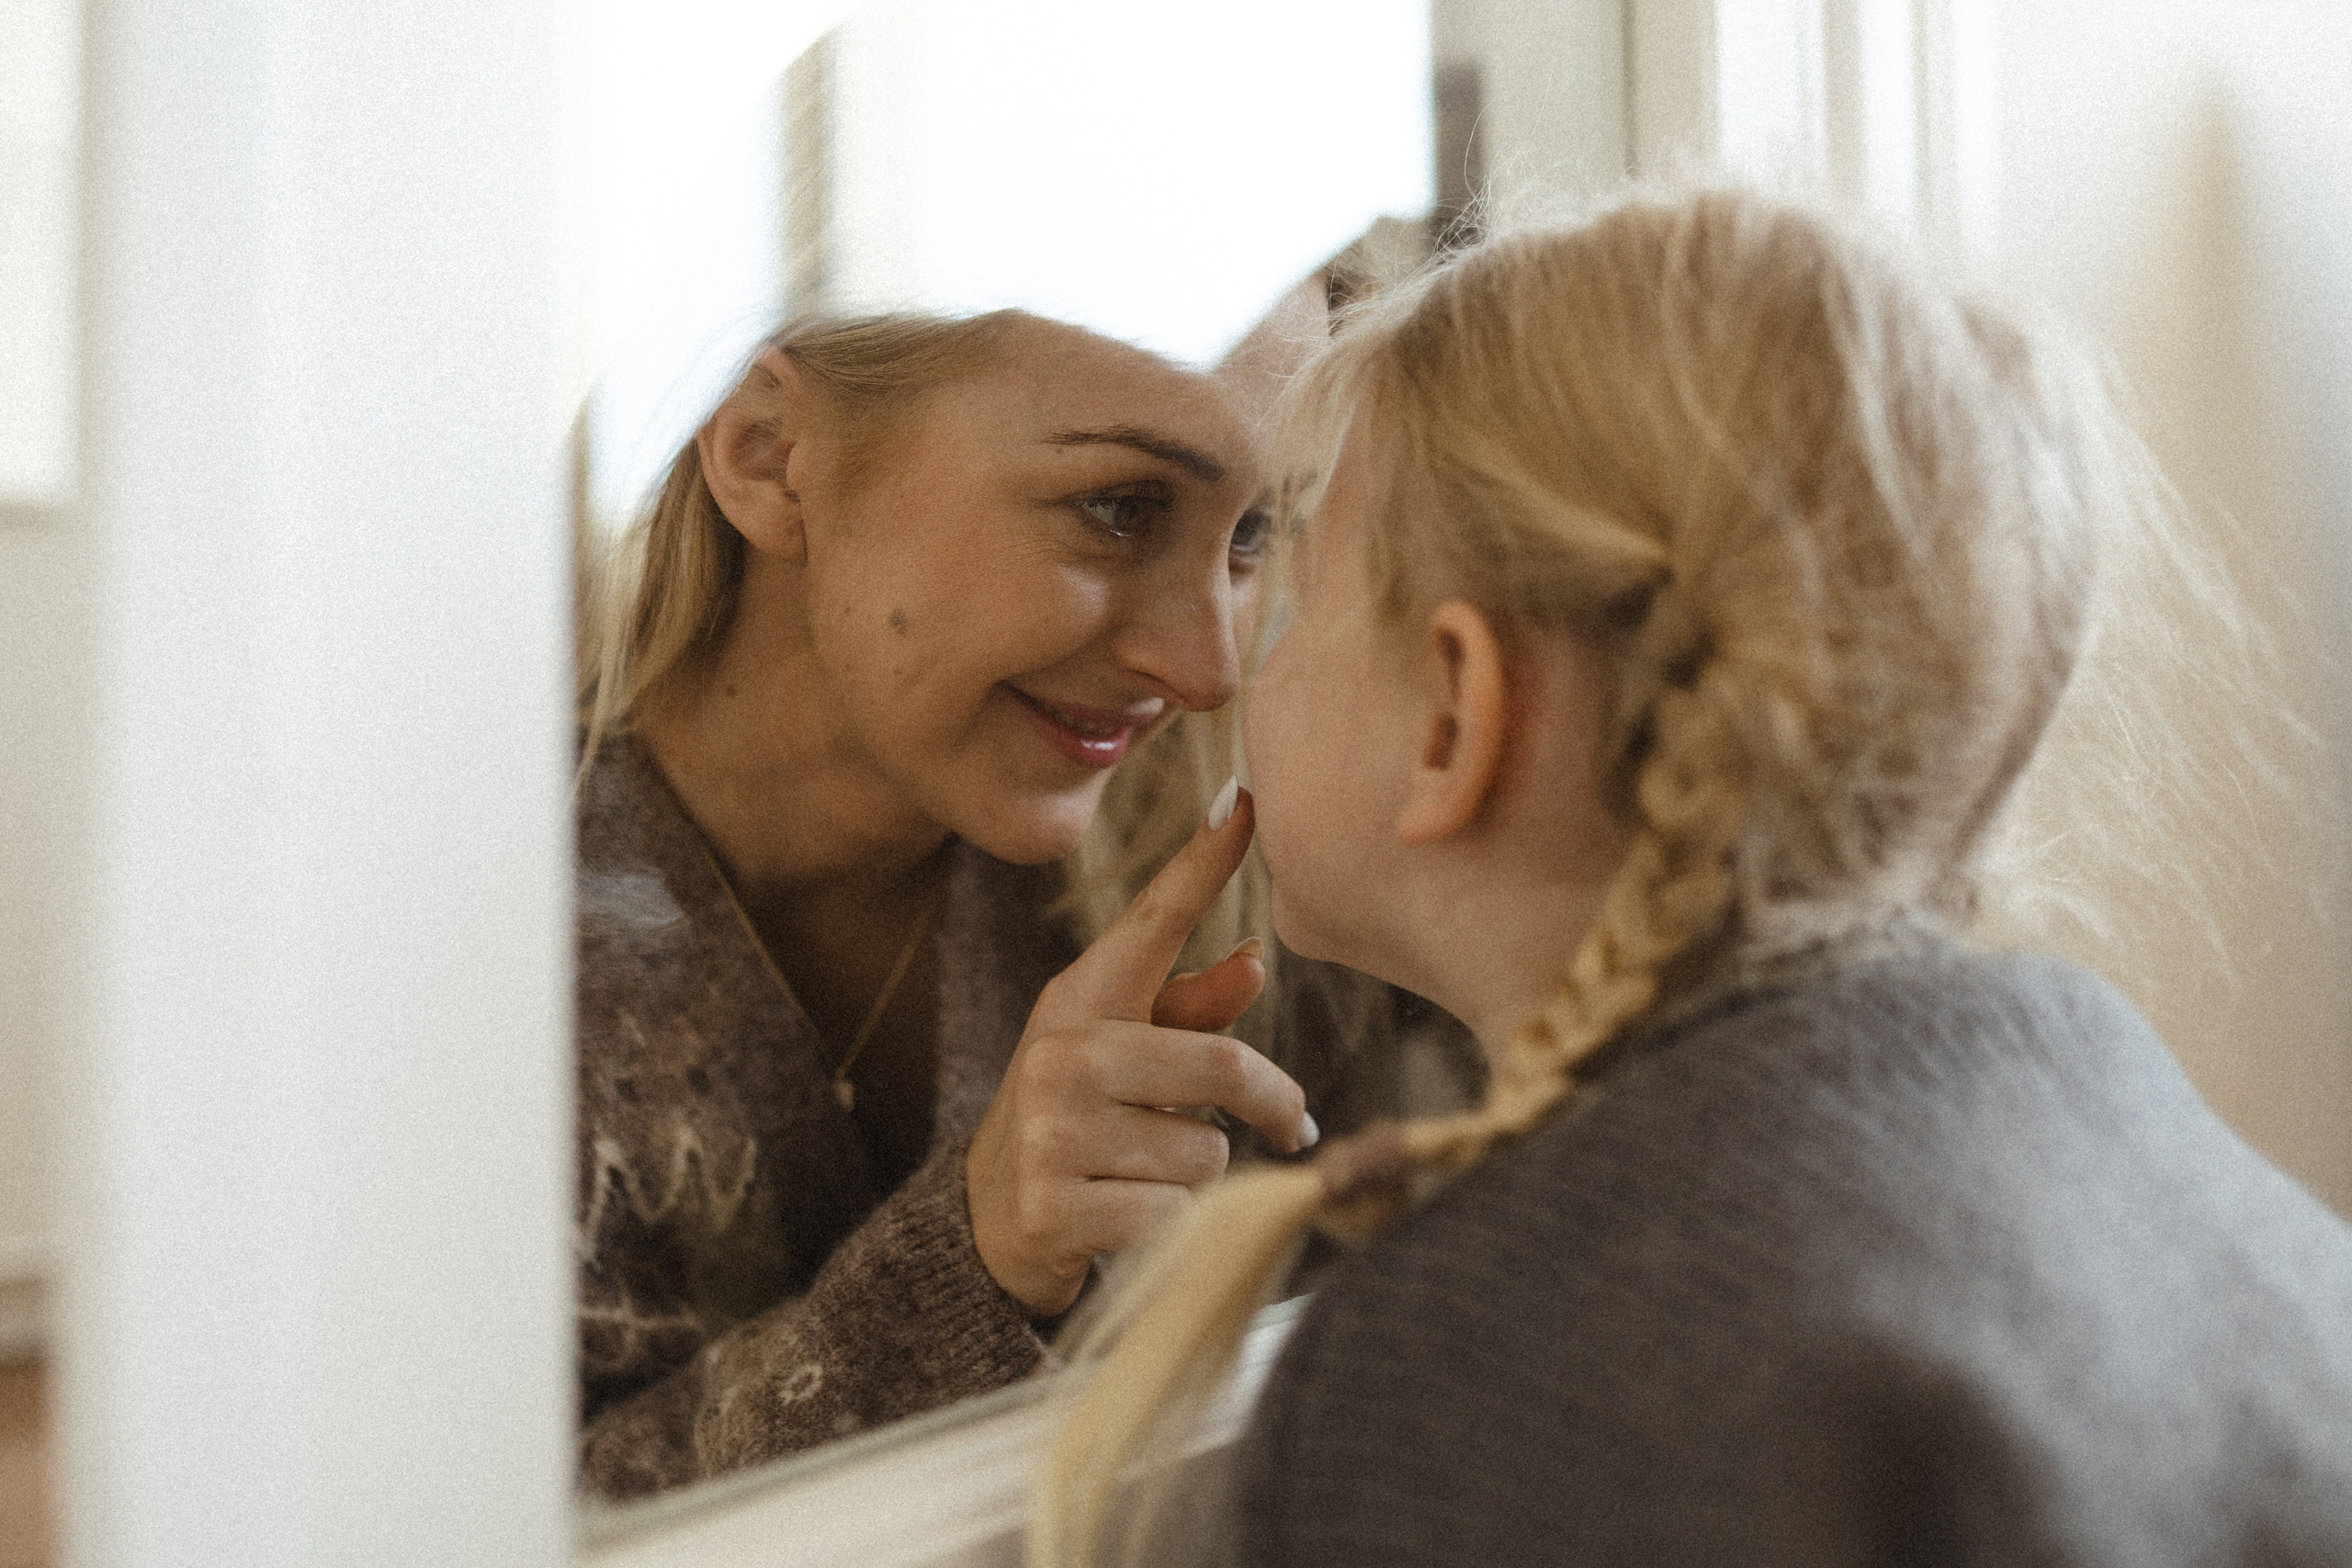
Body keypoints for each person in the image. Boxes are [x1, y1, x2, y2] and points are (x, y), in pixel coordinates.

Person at [1034, 191, 2352, 1565]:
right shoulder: (2152, 1157)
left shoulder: (1504, 1363)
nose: (1231, 667)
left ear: (1452, 718)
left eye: (1294, 593)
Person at [571, 310, 1441, 1501]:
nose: (1207, 672)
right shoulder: (439, 942)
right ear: (771, 457)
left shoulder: (1245, 888)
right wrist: (968, 1262)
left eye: (1255, 536)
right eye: (1121, 509)